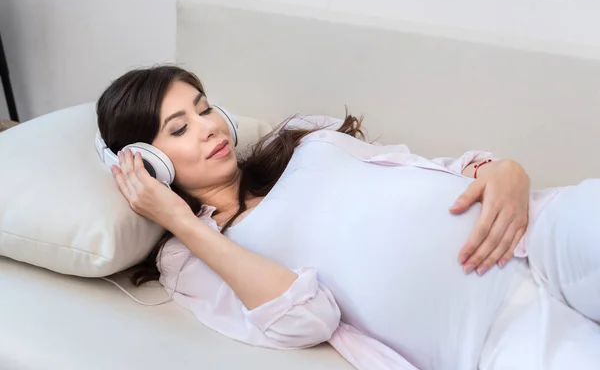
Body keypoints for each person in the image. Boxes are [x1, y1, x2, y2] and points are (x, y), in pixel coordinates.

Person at [96, 65, 600, 370]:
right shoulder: (190, 256)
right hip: (498, 336)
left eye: (206, 109)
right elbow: (306, 318)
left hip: (540, 234)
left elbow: (432, 170)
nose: (208, 129)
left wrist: (501, 169)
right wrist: (182, 219)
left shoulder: (305, 138)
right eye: (180, 128)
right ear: (145, 161)